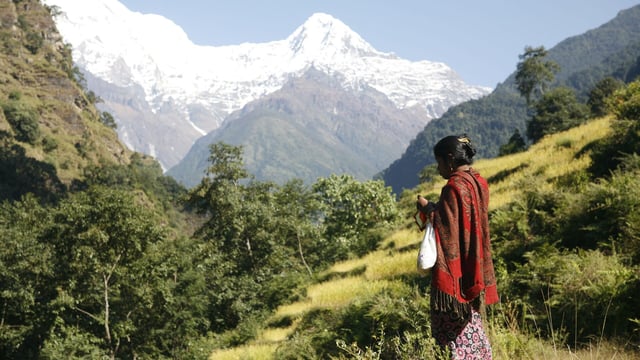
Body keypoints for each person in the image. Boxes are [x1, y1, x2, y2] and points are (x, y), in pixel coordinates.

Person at [416, 134, 499, 359]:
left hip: (457, 275)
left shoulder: (453, 187)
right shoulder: (478, 182)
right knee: (473, 320)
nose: (439, 168)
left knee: (454, 328)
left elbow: (446, 228)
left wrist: (427, 209)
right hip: (475, 263)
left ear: (450, 159)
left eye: (440, 162)